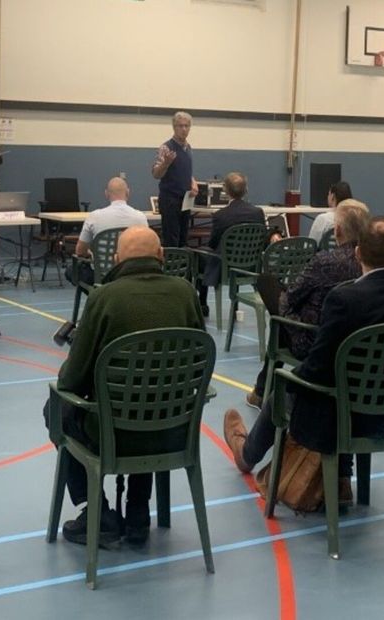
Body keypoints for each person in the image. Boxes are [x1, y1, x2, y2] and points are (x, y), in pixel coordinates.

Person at [224, 216, 384, 502]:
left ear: (359, 253)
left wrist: (291, 378)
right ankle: (340, 479)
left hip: (341, 419)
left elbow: (318, 369)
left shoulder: (345, 298)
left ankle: (247, 455)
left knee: (283, 386)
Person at [46, 226, 205, 547]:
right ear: (161, 256)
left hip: (112, 434)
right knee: (149, 400)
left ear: (116, 259)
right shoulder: (186, 293)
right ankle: (137, 511)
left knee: (56, 408)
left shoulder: (103, 297)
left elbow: (71, 380)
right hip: (175, 430)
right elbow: (199, 358)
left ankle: (96, 511)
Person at [244, 200, 369, 409]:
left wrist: (287, 306)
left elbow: (292, 296)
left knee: (272, 294)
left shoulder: (324, 261)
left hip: (315, 340)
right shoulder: (370, 263)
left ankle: (261, 390)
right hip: (357, 339)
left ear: (337, 230)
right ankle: (260, 389)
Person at [197, 172, 266, 316]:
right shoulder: (258, 213)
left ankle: (202, 304)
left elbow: (212, 243)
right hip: (250, 266)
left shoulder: (220, 215)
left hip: (226, 268)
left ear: (226, 191)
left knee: (198, 257)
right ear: (245, 190)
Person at [68, 176, 149, 286]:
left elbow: (80, 251)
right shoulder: (140, 218)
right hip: (132, 275)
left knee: (71, 271)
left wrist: (92, 254)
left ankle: (99, 297)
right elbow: (148, 248)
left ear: (106, 194)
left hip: (102, 277)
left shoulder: (94, 217)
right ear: (128, 193)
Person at [151, 111, 198, 247]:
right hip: (170, 200)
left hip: (185, 199)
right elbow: (156, 174)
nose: (184, 129)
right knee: (172, 239)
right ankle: (172, 266)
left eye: (186, 126)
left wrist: (192, 181)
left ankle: (183, 266)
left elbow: (185, 170)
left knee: (183, 239)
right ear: (174, 127)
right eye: (180, 126)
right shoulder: (166, 148)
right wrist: (165, 163)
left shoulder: (188, 147)